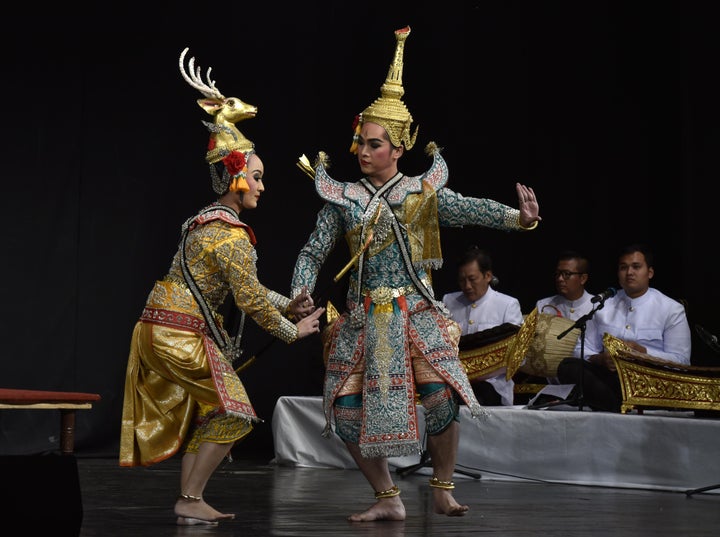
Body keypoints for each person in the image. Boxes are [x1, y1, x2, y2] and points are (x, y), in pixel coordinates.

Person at [291, 26, 541, 522]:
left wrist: (519, 219)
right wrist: (300, 288)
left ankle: (443, 488)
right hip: (363, 317)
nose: (362, 152)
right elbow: (312, 250)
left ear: (400, 147)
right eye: (360, 142)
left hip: (416, 311)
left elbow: (470, 209)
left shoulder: (422, 193)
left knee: (442, 399)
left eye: (375, 144)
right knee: (343, 412)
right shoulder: (345, 199)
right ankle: (387, 497)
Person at [119, 48, 324, 527]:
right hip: (179, 334)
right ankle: (189, 499)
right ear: (235, 177)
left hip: (165, 329)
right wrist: (295, 330)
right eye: (256, 177)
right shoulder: (231, 236)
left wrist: (289, 304)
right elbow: (249, 298)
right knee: (235, 414)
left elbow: (244, 289)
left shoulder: (202, 223)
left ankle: (191, 501)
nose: (262, 187)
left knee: (219, 412)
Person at [556, 243, 691, 412]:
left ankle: (614, 404)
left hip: (652, 381)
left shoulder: (670, 309)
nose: (629, 273)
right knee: (568, 366)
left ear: (649, 273)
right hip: (610, 379)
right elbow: (580, 350)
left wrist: (643, 352)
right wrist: (601, 359)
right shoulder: (603, 306)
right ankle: (618, 404)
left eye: (636, 267)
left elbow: (682, 361)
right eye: (623, 267)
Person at [442, 247, 523, 406]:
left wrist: (480, 372)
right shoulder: (448, 301)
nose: (467, 286)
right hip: (454, 380)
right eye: (462, 280)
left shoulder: (507, 304)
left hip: (492, 385)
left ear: (487, 276)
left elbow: (519, 356)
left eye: (472, 279)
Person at [535, 250, 594, 321]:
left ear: (583, 278)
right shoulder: (544, 305)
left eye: (567, 274)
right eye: (558, 273)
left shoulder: (598, 307)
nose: (560, 279)